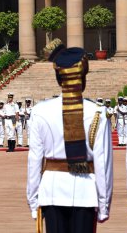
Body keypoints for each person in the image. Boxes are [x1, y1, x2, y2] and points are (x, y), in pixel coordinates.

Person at [27, 41, 113, 233]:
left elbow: (35, 160)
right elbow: (103, 163)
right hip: (85, 192)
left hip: (51, 191)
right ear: (83, 78)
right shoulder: (98, 112)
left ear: (58, 79)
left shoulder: (40, 111)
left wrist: (33, 199)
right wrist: (103, 203)